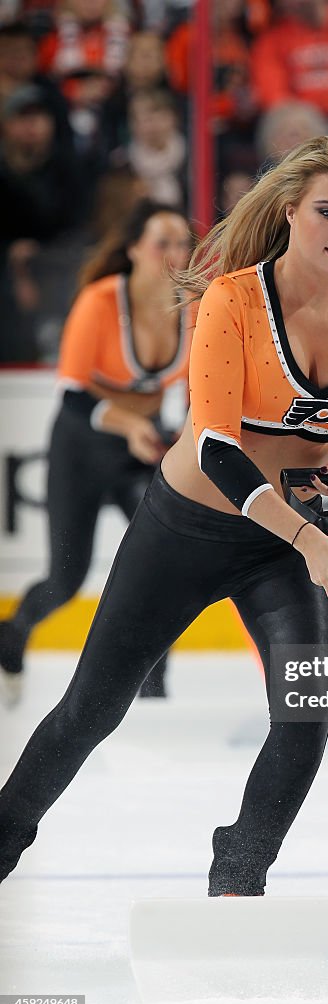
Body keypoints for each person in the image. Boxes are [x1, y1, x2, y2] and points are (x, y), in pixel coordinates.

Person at [0, 136, 328, 897]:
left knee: (305, 717)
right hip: (187, 530)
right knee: (90, 712)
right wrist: (307, 538)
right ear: (289, 211)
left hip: (287, 543)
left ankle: (237, 879)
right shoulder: (233, 300)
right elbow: (220, 449)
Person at [0, 199, 193, 705]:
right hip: (81, 449)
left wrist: (184, 433)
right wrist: (130, 422)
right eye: (162, 243)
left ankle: (152, 682)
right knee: (67, 579)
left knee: (163, 565)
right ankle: (13, 634)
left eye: (182, 243)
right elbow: (73, 392)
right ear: (133, 249)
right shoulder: (102, 301)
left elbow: (205, 388)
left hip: (141, 452)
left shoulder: (194, 307)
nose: (175, 254)